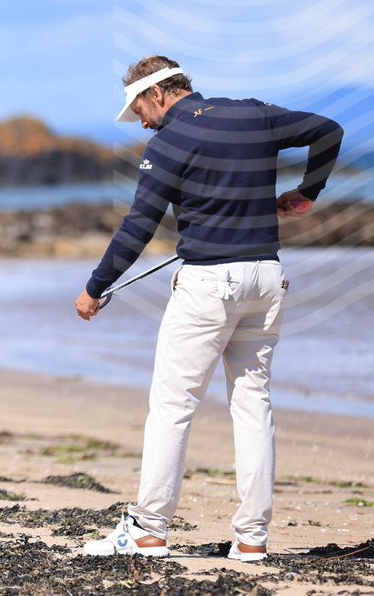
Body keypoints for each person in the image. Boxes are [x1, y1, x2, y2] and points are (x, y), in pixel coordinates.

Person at [76, 56, 343, 561]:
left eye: (138, 109)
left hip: (208, 287)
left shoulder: (168, 143)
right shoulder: (253, 114)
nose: (141, 121)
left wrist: (95, 288)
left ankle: (149, 530)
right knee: (252, 405)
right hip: (267, 278)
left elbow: (138, 226)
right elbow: (328, 131)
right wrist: (308, 192)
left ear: (157, 94)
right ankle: (252, 540)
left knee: (173, 407)